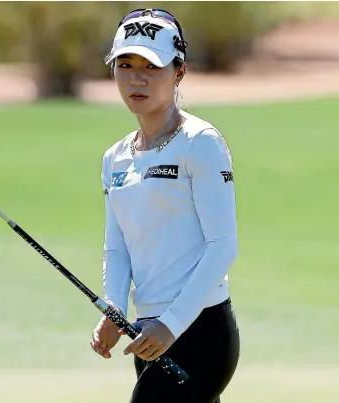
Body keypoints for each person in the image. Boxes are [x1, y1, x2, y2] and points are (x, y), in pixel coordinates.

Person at [90, 8, 240, 403]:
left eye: (152, 66)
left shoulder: (200, 142)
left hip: (200, 331)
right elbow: (117, 246)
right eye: (125, 64)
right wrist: (114, 309)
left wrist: (171, 326)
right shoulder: (115, 158)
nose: (136, 78)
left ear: (179, 72)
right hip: (147, 334)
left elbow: (223, 245)